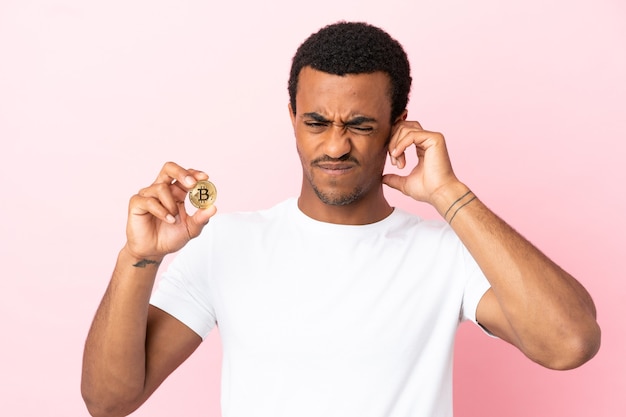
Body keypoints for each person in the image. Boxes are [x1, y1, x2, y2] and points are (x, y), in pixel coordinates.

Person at [81, 21, 601, 417]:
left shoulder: (448, 253)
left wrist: (449, 195)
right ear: (292, 117)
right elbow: (108, 401)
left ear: (397, 126)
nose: (334, 145)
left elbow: (570, 343)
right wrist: (139, 258)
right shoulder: (226, 244)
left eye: (359, 124)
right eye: (316, 122)